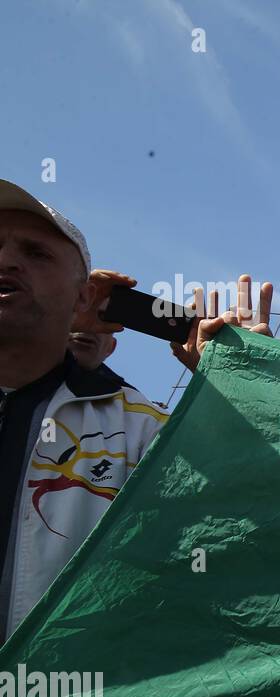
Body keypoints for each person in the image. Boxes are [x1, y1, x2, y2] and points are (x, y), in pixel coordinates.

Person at [0, 180, 167, 642]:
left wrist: (239, 391)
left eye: (36, 253)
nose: (6, 260)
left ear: (84, 299)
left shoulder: (146, 435)